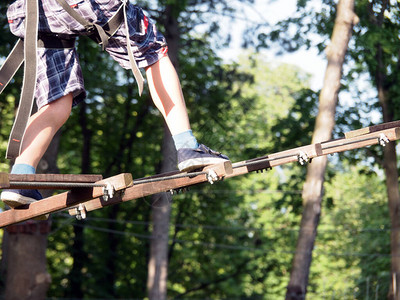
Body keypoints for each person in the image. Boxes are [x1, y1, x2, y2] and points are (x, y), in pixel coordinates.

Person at [0, 0, 229, 208]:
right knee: (154, 53)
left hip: (36, 11)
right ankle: (187, 145)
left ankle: (22, 176)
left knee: (58, 98)